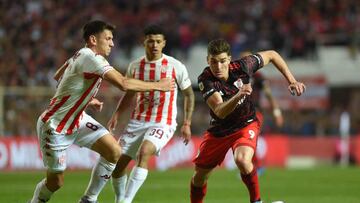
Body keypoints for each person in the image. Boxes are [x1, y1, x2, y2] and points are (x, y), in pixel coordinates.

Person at [29, 20, 174, 203]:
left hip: (78, 119)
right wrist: (158, 85)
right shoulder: (90, 58)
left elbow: (59, 75)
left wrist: (85, 98)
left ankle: (89, 199)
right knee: (56, 182)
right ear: (93, 40)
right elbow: (123, 84)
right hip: (55, 126)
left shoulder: (81, 54)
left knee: (114, 151)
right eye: (108, 38)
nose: (112, 43)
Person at [81, 24, 194, 203]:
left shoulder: (175, 66)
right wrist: (117, 114)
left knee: (145, 151)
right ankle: (120, 200)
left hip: (163, 122)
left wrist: (187, 123)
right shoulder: (135, 66)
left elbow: (189, 94)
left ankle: (126, 200)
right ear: (144, 42)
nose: (154, 45)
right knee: (117, 167)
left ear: (164, 43)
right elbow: (129, 94)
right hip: (137, 122)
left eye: (158, 41)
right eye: (151, 41)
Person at [190, 39, 306, 203]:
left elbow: (272, 55)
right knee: (199, 177)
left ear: (229, 59)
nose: (218, 66)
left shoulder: (243, 66)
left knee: (242, 160)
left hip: (246, 123)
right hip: (219, 130)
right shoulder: (205, 79)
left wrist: (292, 81)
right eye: (213, 62)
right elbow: (219, 111)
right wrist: (239, 94)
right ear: (207, 61)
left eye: (222, 61)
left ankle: (256, 201)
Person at [240, 51, 284, 175]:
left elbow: (269, 95)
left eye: (248, 59)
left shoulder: (258, 77)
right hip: (240, 114)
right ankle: (250, 167)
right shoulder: (236, 76)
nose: (245, 62)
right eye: (243, 60)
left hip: (255, 112)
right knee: (244, 140)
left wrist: (276, 112)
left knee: (250, 139)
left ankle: (257, 167)